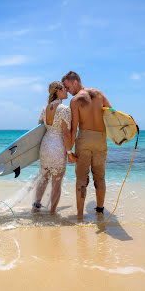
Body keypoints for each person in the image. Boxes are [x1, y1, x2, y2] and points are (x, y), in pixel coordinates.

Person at [62, 71, 112, 220]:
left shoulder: (76, 100)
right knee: (100, 177)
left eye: (67, 86)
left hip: (84, 139)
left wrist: (69, 152)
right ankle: (100, 211)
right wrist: (118, 137)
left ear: (75, 82)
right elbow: (111, 115)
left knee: (81, 179)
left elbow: (74, 127)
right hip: (101, 139)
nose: (67, 91)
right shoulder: (99, 94)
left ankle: (79, 216)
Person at [32, 81, 75, 214]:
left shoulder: (45, 109)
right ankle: (52, 213)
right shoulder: (64, 109)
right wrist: (69, 152)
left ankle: (36, 208)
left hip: (45, 146)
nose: (66, 91)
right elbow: (66, 133)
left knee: (43, 179)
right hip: (58, 146)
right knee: (56, 183)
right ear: (58, 91)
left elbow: (39, 128)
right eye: (64, 89)